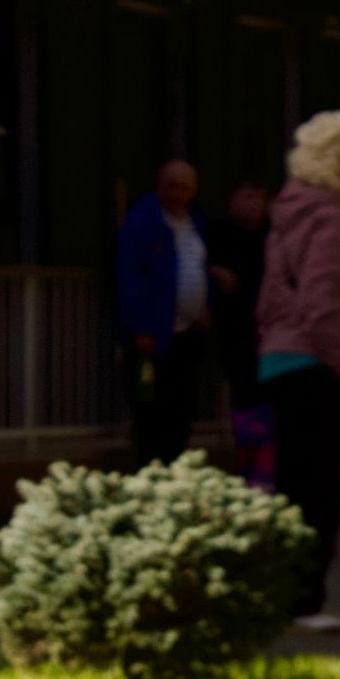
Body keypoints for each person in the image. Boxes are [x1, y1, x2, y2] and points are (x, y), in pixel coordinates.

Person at [256, 112, 340, 631]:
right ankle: (302, 603)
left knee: (296, 485)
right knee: (318, 490)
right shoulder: (329, 220)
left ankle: (291, 598)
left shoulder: (292, 213)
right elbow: (323, 305)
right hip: (317, 369)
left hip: (284, 363)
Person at [115, 160, 214, 465]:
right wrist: (139, 327)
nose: (178, 193)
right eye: (172, 185)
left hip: (187, 334)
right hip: (151, 337)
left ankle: (175, 464)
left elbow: (202, 268)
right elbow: (128, 278)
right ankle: (147, 466)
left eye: (185, 187)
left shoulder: (197, 224)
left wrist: (205, 305)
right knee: (148, 405)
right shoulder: (142, 223)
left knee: (182, 405)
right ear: (159, 186)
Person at [208, 181, 274, 485]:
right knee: (245, 397)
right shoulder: (217, 234)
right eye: (247, 197)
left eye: (260, 198)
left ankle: (265, 467)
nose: (254, 205)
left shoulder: (274, 236)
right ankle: (249, 466)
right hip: (235, 332)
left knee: (270, 398)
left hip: (273, 332)